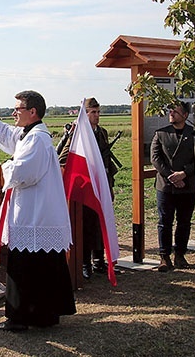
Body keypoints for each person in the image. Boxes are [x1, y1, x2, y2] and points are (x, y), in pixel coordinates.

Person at [0, 91, 76, 331]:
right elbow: (6, 134)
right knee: (43, 267)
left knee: (25, 268)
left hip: (34, 216)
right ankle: (43, 315)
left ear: (33, 112)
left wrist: (3, 166)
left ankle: (19, 318)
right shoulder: (30, 134)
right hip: (37, 215)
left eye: (18, 108)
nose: (14, 112)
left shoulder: (37, 139)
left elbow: (22, 173)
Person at [58, 97, 118, 279]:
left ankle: (99, 260)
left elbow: (106, 162)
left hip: (102, 186)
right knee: (85, 227)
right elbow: (63, 159)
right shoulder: (78, 135)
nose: (97, 116)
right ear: (85, 114)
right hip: (85, 189)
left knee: (101, 224)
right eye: (93, 112)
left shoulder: (102, 132)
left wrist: (109, 185)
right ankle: (85, 263)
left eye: (98, 112)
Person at [151, 102, 195, 272]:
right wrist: (171, 176)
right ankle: (164, 257)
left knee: (184, 222)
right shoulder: (161, 133)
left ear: (185, 115)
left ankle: (180, 254)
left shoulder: (194, 134)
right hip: (166, 185)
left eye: (176, 111)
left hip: (187, 185)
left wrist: (184, 174)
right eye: (170, 111)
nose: (171, 114)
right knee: (164, 221)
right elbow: (155, 158)